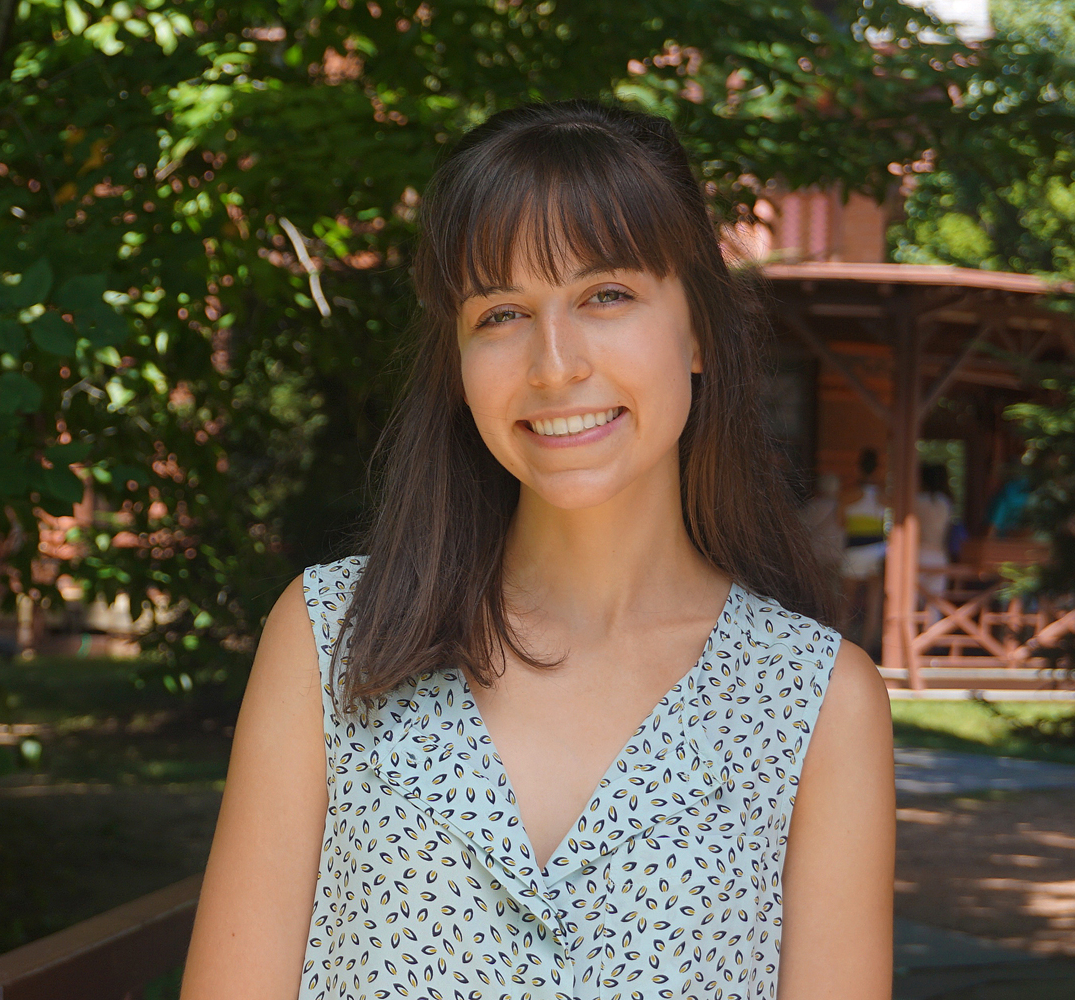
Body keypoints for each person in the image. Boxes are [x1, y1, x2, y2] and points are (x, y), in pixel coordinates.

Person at [180, 100, 894, 1000]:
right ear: (459, 361)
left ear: (702, 330)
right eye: (501, 312)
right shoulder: (330, 637)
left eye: (607, 295)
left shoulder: (817, 704)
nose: (554, 364)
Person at [841, 447, 888, 650]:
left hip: (854, 550)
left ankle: (840, 645)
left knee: (846, 601)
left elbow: (840, 522)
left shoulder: (847, 495)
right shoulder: (884, 496)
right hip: (877, 550)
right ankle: (868, 648)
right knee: (874, 604)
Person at [799, 471, 845, 604]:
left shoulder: (815, 505)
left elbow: (801, 524)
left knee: (816, 587)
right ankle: (833, 616)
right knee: (834, 588)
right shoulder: (841, 505)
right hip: (836, 551)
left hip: (816, 552)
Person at [914, 463, 954, 604]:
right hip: (939, 555)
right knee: (935, 603)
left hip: (918, 553)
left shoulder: (917, 501)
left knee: (912, 601)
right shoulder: (946, 502)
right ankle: (934, 627)